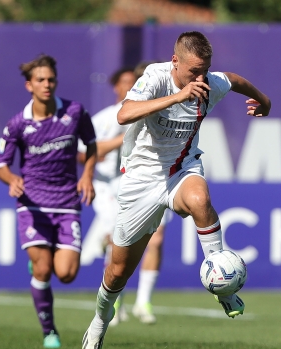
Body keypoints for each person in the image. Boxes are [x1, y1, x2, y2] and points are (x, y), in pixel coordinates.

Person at [82, 31, 271, 348]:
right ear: (175, 62)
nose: (201, 78)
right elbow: (124, 113)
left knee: (200, 199)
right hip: (141, 179)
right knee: (117, 273)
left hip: (182, 170)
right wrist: (178, 96)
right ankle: (99, 323)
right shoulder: (155, 77)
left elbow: (235, 79)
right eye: (193, 72)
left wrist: (264, 101)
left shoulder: (212, 83)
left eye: (205, 71)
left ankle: (222, 286)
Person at [0, 54, 97, 348]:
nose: (47, 84)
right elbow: (1, 164)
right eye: (40, 80)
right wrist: (12, 179)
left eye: (51, 79)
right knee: (42, 270)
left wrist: (87, 175)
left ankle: (42, 264)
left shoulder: (75, 112)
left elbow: (91, 144)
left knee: (65, 274)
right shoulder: (17, 124)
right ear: (29, 85)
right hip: (33, 205)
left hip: (66, 203)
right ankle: (49, 331)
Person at [78, 63, 169, 326]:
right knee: (118, 240)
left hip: (148, 182)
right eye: (126, 81)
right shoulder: (104, 118)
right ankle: (114, 301)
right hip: (110, 187)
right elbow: (85, 153)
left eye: (136, 81)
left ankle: (144, 302)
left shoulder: (153, 114)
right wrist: (123, 138)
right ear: (117, 86)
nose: (131, 86)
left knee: (156, 238)